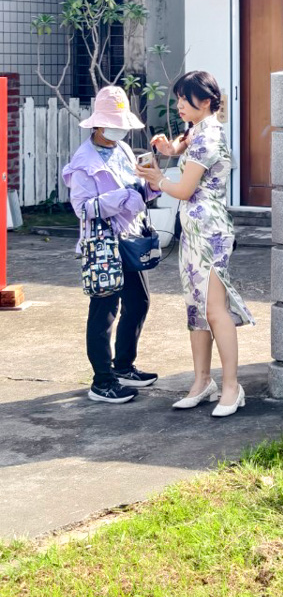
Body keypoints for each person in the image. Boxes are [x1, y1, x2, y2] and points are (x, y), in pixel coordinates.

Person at [138, 71, 254, 417]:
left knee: (215, 311)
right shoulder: (198, 131)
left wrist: (159, 179)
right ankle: (202, 381)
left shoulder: (209, 137)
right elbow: (182, 146)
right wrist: (169, 149)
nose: (178, 106)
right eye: (177, 100)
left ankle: (232, 386)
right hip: (194, 230)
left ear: (205, 102)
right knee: (196, 308)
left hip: (210, 231)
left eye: (184, 100)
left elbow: (185, 189)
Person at [62, 86, 159, 404]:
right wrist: (123, 197)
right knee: (104, 311)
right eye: (113, 123)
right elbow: (83, 209)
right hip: (102, 245)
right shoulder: (82, 163)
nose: (119, 130)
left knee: (140, 302)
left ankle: (123, 366)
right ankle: (102, 381)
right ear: (98, 125)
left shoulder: (123, 149)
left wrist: (149, 187)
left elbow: (136, 188)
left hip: (128, 239)